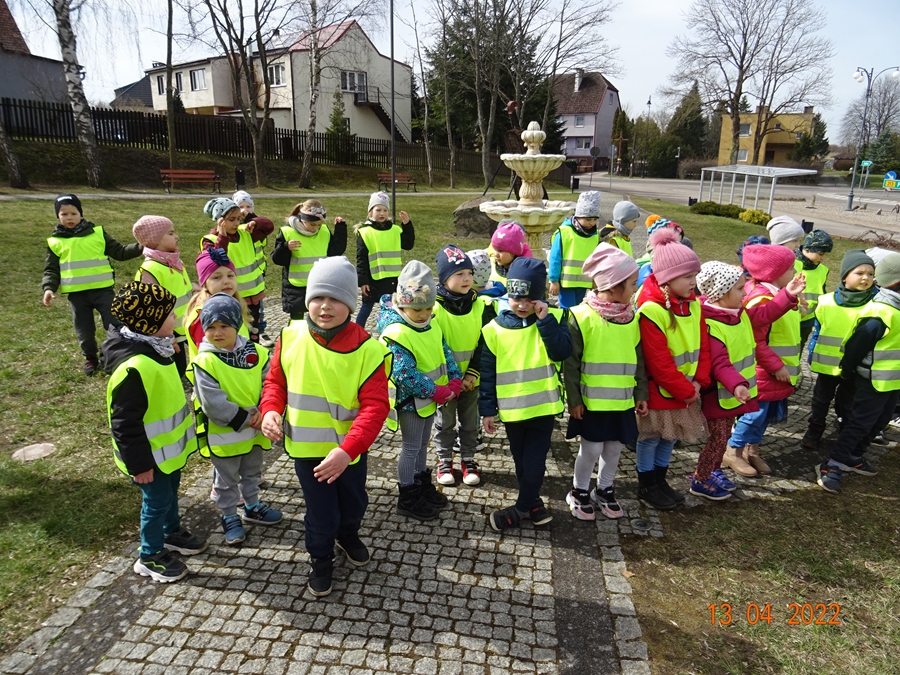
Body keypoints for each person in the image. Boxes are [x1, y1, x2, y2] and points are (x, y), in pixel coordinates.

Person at [261, 256, 391, 596]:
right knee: (322, 516)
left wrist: (348, 451)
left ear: (350, 303)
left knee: (354, 505)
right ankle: (320, 558)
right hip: (308, 452)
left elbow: (375, 406)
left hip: (348, 452)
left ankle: (347, 535)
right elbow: (275, 382)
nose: (325, 306)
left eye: (335, 298)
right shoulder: (290, 336)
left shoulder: (368, 350)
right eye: (318, 297)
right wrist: (271, 410)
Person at [101, 282, 206, 583]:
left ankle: (171, 532)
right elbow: (125, 425)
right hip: (148, 459)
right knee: (156, 501)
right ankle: (149, 555)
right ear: (149, 324)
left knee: (170, 492)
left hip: (167, 453)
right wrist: (139, 466)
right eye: (170, 315)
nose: (176, 317)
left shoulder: (158, 348)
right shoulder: (134, 368)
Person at [480, 257, 572, 531]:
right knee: (521, 461)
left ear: (540, 298)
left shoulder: (555, 319)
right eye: (516, 298)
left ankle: (520, 509)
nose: (521, 305)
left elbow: (561, 352)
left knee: (534, 461)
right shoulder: (494, 329)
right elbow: (487, 372)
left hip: (543, 408)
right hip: (512, 411)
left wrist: (545, 321)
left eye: (529, 299)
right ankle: (532, 503)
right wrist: (487, 410)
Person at [564, 244, 647, 520]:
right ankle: (579, 491)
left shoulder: (631, 318)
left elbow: (638, 359)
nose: (636, 288)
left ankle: (605, 489)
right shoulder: (581, 316)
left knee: (614, 449)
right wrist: (574, 400)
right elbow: (571, 364)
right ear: (612, 285)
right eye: (632, 283)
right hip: (592, 403)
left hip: (622, 401)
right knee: (591, 449)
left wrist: (641, 393)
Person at [192, 293, 282, 546]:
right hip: (228, 434)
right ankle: (229, 515)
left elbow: (269, 382)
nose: (217, 332)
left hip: (255, 430)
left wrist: (266, 409)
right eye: (211, 327)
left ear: (237, 324)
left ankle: (252, 506)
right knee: (226, 479)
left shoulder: (258, 353)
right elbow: (213, 402)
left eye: (224, 326)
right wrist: (248, 418)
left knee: (252, 472)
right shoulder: (205, 361)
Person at [379, 261, 463, 521]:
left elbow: (445, 351)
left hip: (429, 399)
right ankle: (407, 495)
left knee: (422, 445)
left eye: (428, 308)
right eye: (417, 309)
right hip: (410, 402)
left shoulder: (431, 324)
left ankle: (420, 483)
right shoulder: (396, 333)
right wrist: (437, 391)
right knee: (411, 447)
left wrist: (455, 378)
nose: (423, 314)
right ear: (402, 304)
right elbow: (404, 374)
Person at [635, 228, 710, 510]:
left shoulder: (693, 304)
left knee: (671, 437)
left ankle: (660, 480)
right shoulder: (652, 311)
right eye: (687, 276)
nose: (694, 282)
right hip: (663, 390)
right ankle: (647, 485)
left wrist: (700, 381)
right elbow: (659, 362)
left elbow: (703, 346)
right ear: (667, 279)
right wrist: (686, 390)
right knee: (651, 438)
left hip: (687, 389)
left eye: (695, 275)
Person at [817, 253, 900, 493]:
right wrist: (848, 369)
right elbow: (856, 344)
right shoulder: (881, 311)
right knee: (861, 423)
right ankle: (832, 463)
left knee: (881, 420)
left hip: (893, 380)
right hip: (874, 380)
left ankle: (854, 455)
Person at [724, 244, 805, 477]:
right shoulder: (762, 299)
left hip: (777, 371)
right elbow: (756, 339)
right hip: (764, 371)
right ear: (774, 273)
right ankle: (732, 452)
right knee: (754, 415)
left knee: (766, 415)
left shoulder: (778, 294)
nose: (794, 271)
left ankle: (752, 450)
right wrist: (775, 366)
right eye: (790, 268)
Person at [42, 194, 142, 375]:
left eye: (74, 213)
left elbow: (120, 252)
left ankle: (119, 354)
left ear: (81, 214)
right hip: (77, 296)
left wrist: (142, 246)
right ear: (58, 216)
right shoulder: (55, 242)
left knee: (115, 325)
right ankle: (90, 358)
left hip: (103, 291)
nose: (69, 217)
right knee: (84, 332)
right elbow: (51, 269)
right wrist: (48, 288)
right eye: (64, 214)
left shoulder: (98, 234)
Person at [692, 262, 758, 500]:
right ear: (720, 293)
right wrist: (737, 384)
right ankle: (700, 479)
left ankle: (713, 471)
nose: (745, 293)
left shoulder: (737, 314)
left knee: (724, 436)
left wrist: (788, 296)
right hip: (719, 394)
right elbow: (719, 362)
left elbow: (763, 317)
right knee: (718, 440)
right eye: (740, 289)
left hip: (732, 394)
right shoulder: (711, 324)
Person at [432, 245, 496, 487]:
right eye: (459, 274)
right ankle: (444, 460)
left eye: (470, 273)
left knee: (470, 423)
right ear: (444, 278)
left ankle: (468, 459)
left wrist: (472, 373)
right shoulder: (434, 308)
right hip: (446, 382)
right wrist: (452, 379)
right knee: (444, 423)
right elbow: (434, 345)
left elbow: (486, 343)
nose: (467, 278)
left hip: (472, 381)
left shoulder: (481, 306)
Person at [802, 250, 876, 449]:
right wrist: (812, 352)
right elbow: (818, 330)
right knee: (820, 399)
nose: (866, 278)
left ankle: (845, 432)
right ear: (844, 276)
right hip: (827, 363)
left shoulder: (875, 305)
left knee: (849, 402)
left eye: (870, 274)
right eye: (859, 273)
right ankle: (815, 429)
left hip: (856, 366)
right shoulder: (826, 301)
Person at [201, 197, 274, 342]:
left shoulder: (245, 232)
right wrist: (222, 237)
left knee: (254, 332)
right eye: (231, 219)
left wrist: (252, 219)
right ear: (219, 220)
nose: (236, 223)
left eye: (239, 219)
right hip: (232, 297)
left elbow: (268, 226)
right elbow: (217, 261)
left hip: (254, 295)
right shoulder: (210, 240)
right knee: (237, 333)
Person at [133, 215, 198, 377]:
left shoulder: (173, 261)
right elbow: (152, 308)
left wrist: (193, 289)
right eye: (170, 233)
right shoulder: (150, 270)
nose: (176, 236)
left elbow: (178, 287)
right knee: (177, 370)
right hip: (169, 332)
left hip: (186, 323)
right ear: (155, 240)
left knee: (191, 364)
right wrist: (167, 336)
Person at [271, 199, 348, 320]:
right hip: (296, 286)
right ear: (303, 219)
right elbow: (277, 260)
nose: (315, 228)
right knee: (297, 321)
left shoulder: (324, 231)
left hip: (319, 282)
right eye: (312, 224)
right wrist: (285, 247)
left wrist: (340, 229)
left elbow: (335, 251)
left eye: (318, 225)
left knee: (318, 318)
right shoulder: (287, 232)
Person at [355, 192, 415, 327]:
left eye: (385, 210)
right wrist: (363, 281)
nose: (382, 213)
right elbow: (361, 258)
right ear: (370, 211)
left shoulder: (395, 230)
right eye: (378, 210)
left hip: (392, 279)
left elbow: (408, 244)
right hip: (373, 279)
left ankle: (393, 330)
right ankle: (357, 331)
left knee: (394, 308)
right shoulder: (365, 232)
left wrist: (407, 225)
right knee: (366, 308)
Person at [184, 248, 252, 366]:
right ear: (204, 283)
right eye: (217, 277)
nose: (226, 281)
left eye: (230, 275)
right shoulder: (204, 314)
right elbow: (209, 359)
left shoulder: (233, 304)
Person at [233, 190, 273, 346]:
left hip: (257, 274)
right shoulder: (235, 227)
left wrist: (252, 220)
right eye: (240, 206)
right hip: (241, 278)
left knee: (259, 309)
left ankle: (260, 332)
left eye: (248, 206)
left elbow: (267, 223)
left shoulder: (256, 225)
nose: (244, 210)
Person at [548, 191, 600, 309]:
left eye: (595, 219)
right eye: (588, 219)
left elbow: (596, 260)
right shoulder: (563, 232)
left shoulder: (595, 235)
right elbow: (555, 258)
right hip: (566, 284)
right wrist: (554, 280)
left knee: (577, 312)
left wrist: (595, 279)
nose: (592, 223)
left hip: (583, 283)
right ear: (578, 216)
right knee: (568, 312)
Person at [794, 229, 833, 347]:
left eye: (826, 254)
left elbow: (822, 293)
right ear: (807, 249)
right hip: (790, 317)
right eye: (821, 254)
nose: (823, 258)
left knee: (798, 350)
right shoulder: (791, 264)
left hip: (807, 321)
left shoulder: (823, 270)